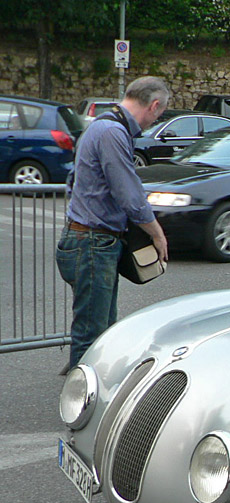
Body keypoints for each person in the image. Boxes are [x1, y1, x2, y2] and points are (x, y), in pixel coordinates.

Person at [55, 75, 170, 369]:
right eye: (159, 114)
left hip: (86, 240)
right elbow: (129, 194)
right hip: (93, 243)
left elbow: (74, 181)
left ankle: (85, 386)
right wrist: (157, 235)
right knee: (92, 335)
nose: (153, 122)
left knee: (100, 328)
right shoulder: (112, 133)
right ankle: (82, 401)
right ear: (154, 106)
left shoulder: (99, 127)